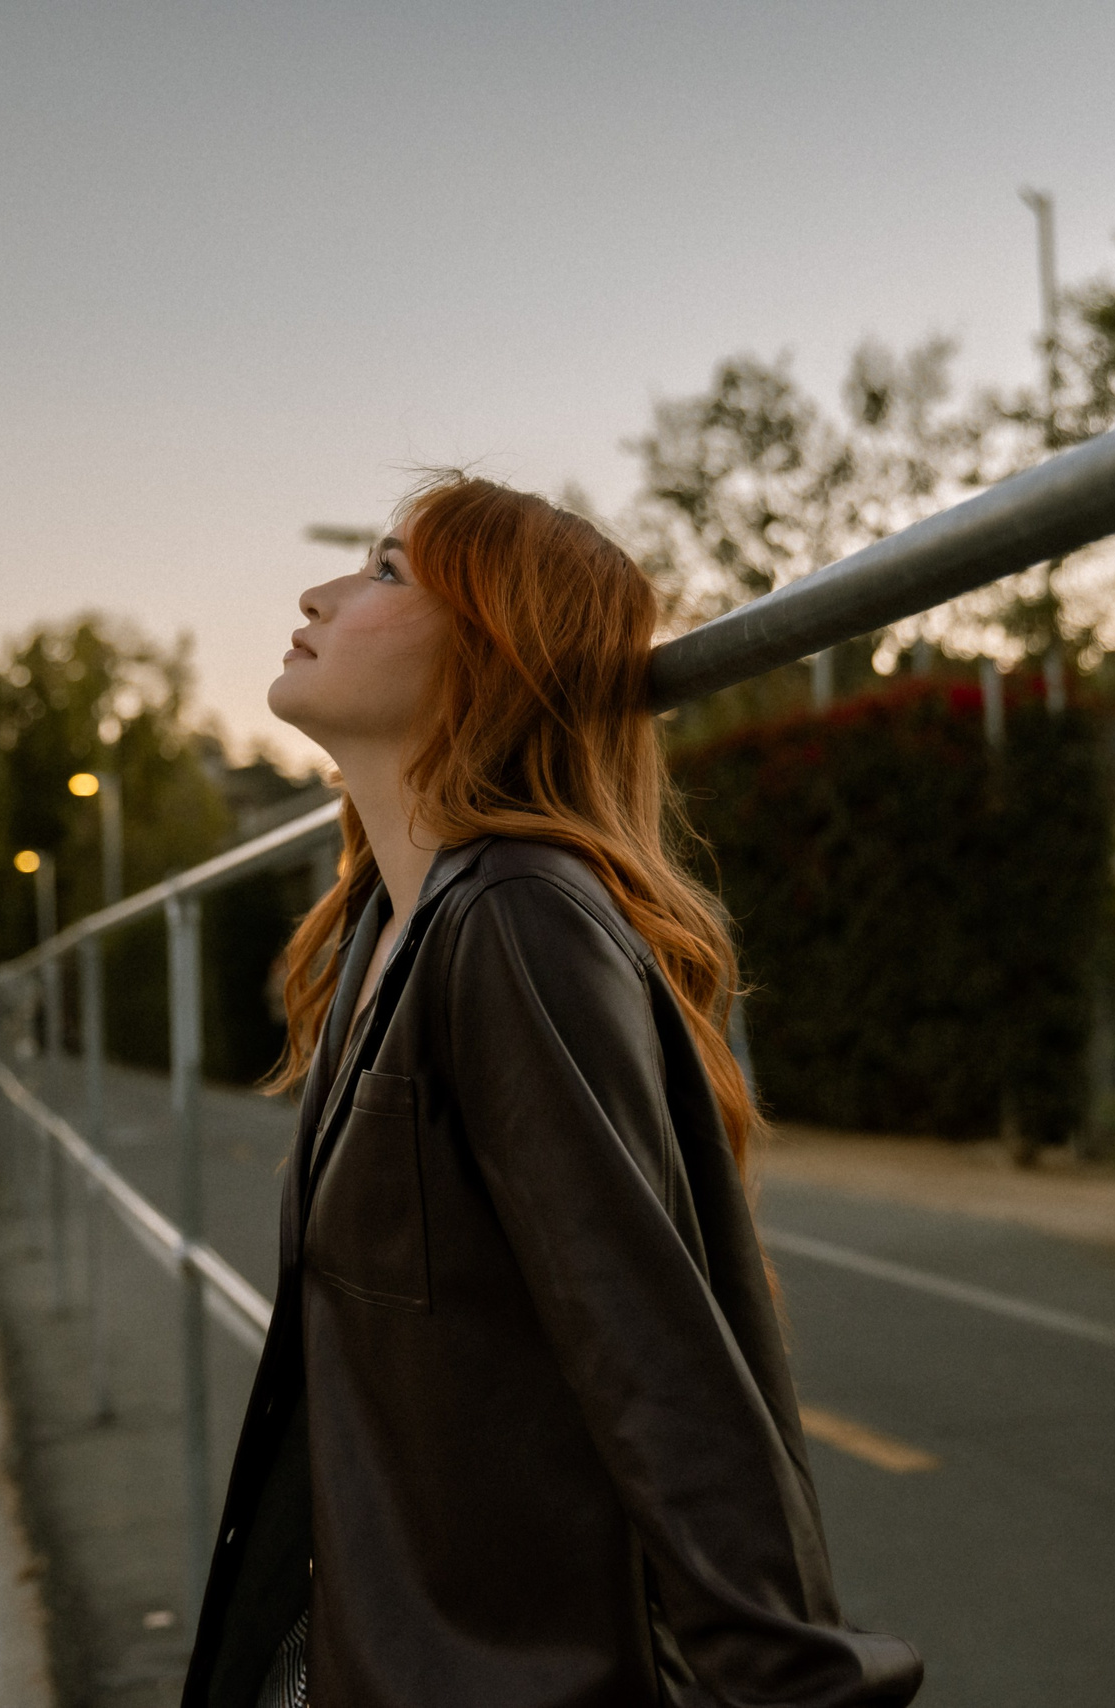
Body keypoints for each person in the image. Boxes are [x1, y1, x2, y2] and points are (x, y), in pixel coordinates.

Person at [181, 475, 923, 1708]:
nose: (315, 594)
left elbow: (659, 1363)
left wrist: (799, 1688)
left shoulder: (519, 920)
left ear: (494, 648)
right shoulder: (384, 925)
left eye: (382, 571)